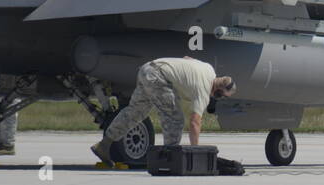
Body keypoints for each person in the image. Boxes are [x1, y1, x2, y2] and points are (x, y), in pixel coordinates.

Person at [91, 56, 235, 164]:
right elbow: (194, 122)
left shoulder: (208, 68)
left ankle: (104, 145)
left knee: (135, 112)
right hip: (158, 76)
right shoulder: (203, 90)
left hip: (147, 69)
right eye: (219, 95)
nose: (217, 97)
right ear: (218, 89)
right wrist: (195, 152)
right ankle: (169, 158)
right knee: (175, 119)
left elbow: (187, 58)